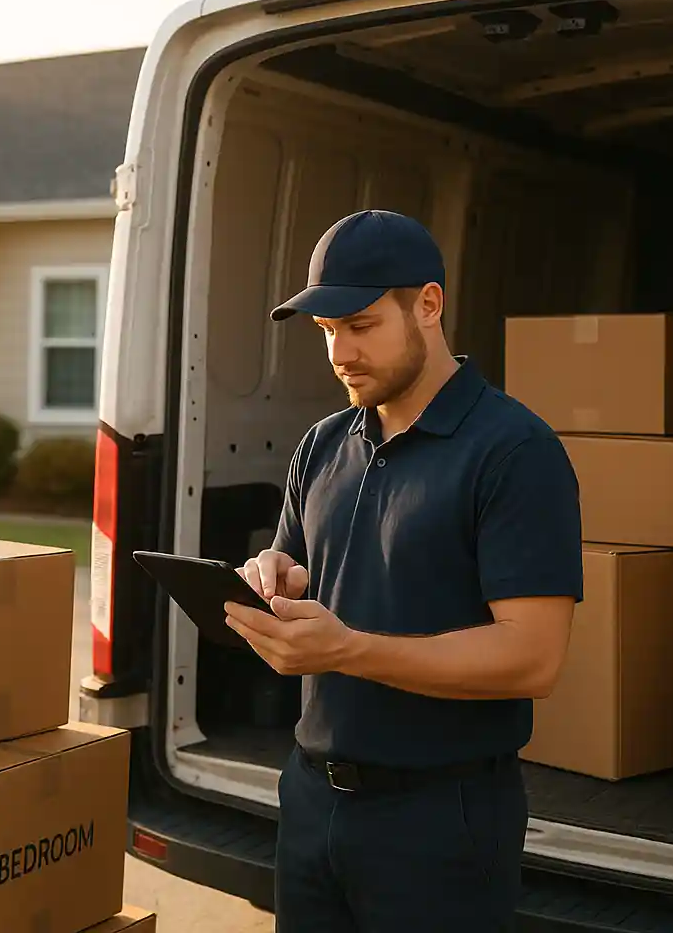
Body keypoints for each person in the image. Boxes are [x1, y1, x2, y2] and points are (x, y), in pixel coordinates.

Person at [225, 210, 583, 933]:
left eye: (360, 325)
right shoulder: (323, 442)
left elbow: (533, 657)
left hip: (440, 821)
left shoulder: (515, 451)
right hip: (309, 799)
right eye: (326, 331)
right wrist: (273, 575)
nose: (339, 353)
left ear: (428, 305)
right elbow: (298, 567)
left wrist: (346, 649)